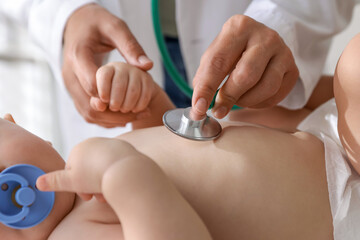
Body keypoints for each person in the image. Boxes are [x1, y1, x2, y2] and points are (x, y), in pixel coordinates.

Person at [1, 33, 360, 239]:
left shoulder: (86, 166)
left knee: (341, 76)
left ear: (12, 123)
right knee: (354, 66)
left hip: (319, 145)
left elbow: (177, 161)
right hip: (333, 210)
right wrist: (118, 172)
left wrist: (147, 111)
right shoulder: (73, 235)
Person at [0, 0, 357, 157]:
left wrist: (140, 96)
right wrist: (64, 13)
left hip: (302, 135)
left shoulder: (97, 167)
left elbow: (156, 134)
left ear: (10, 120)